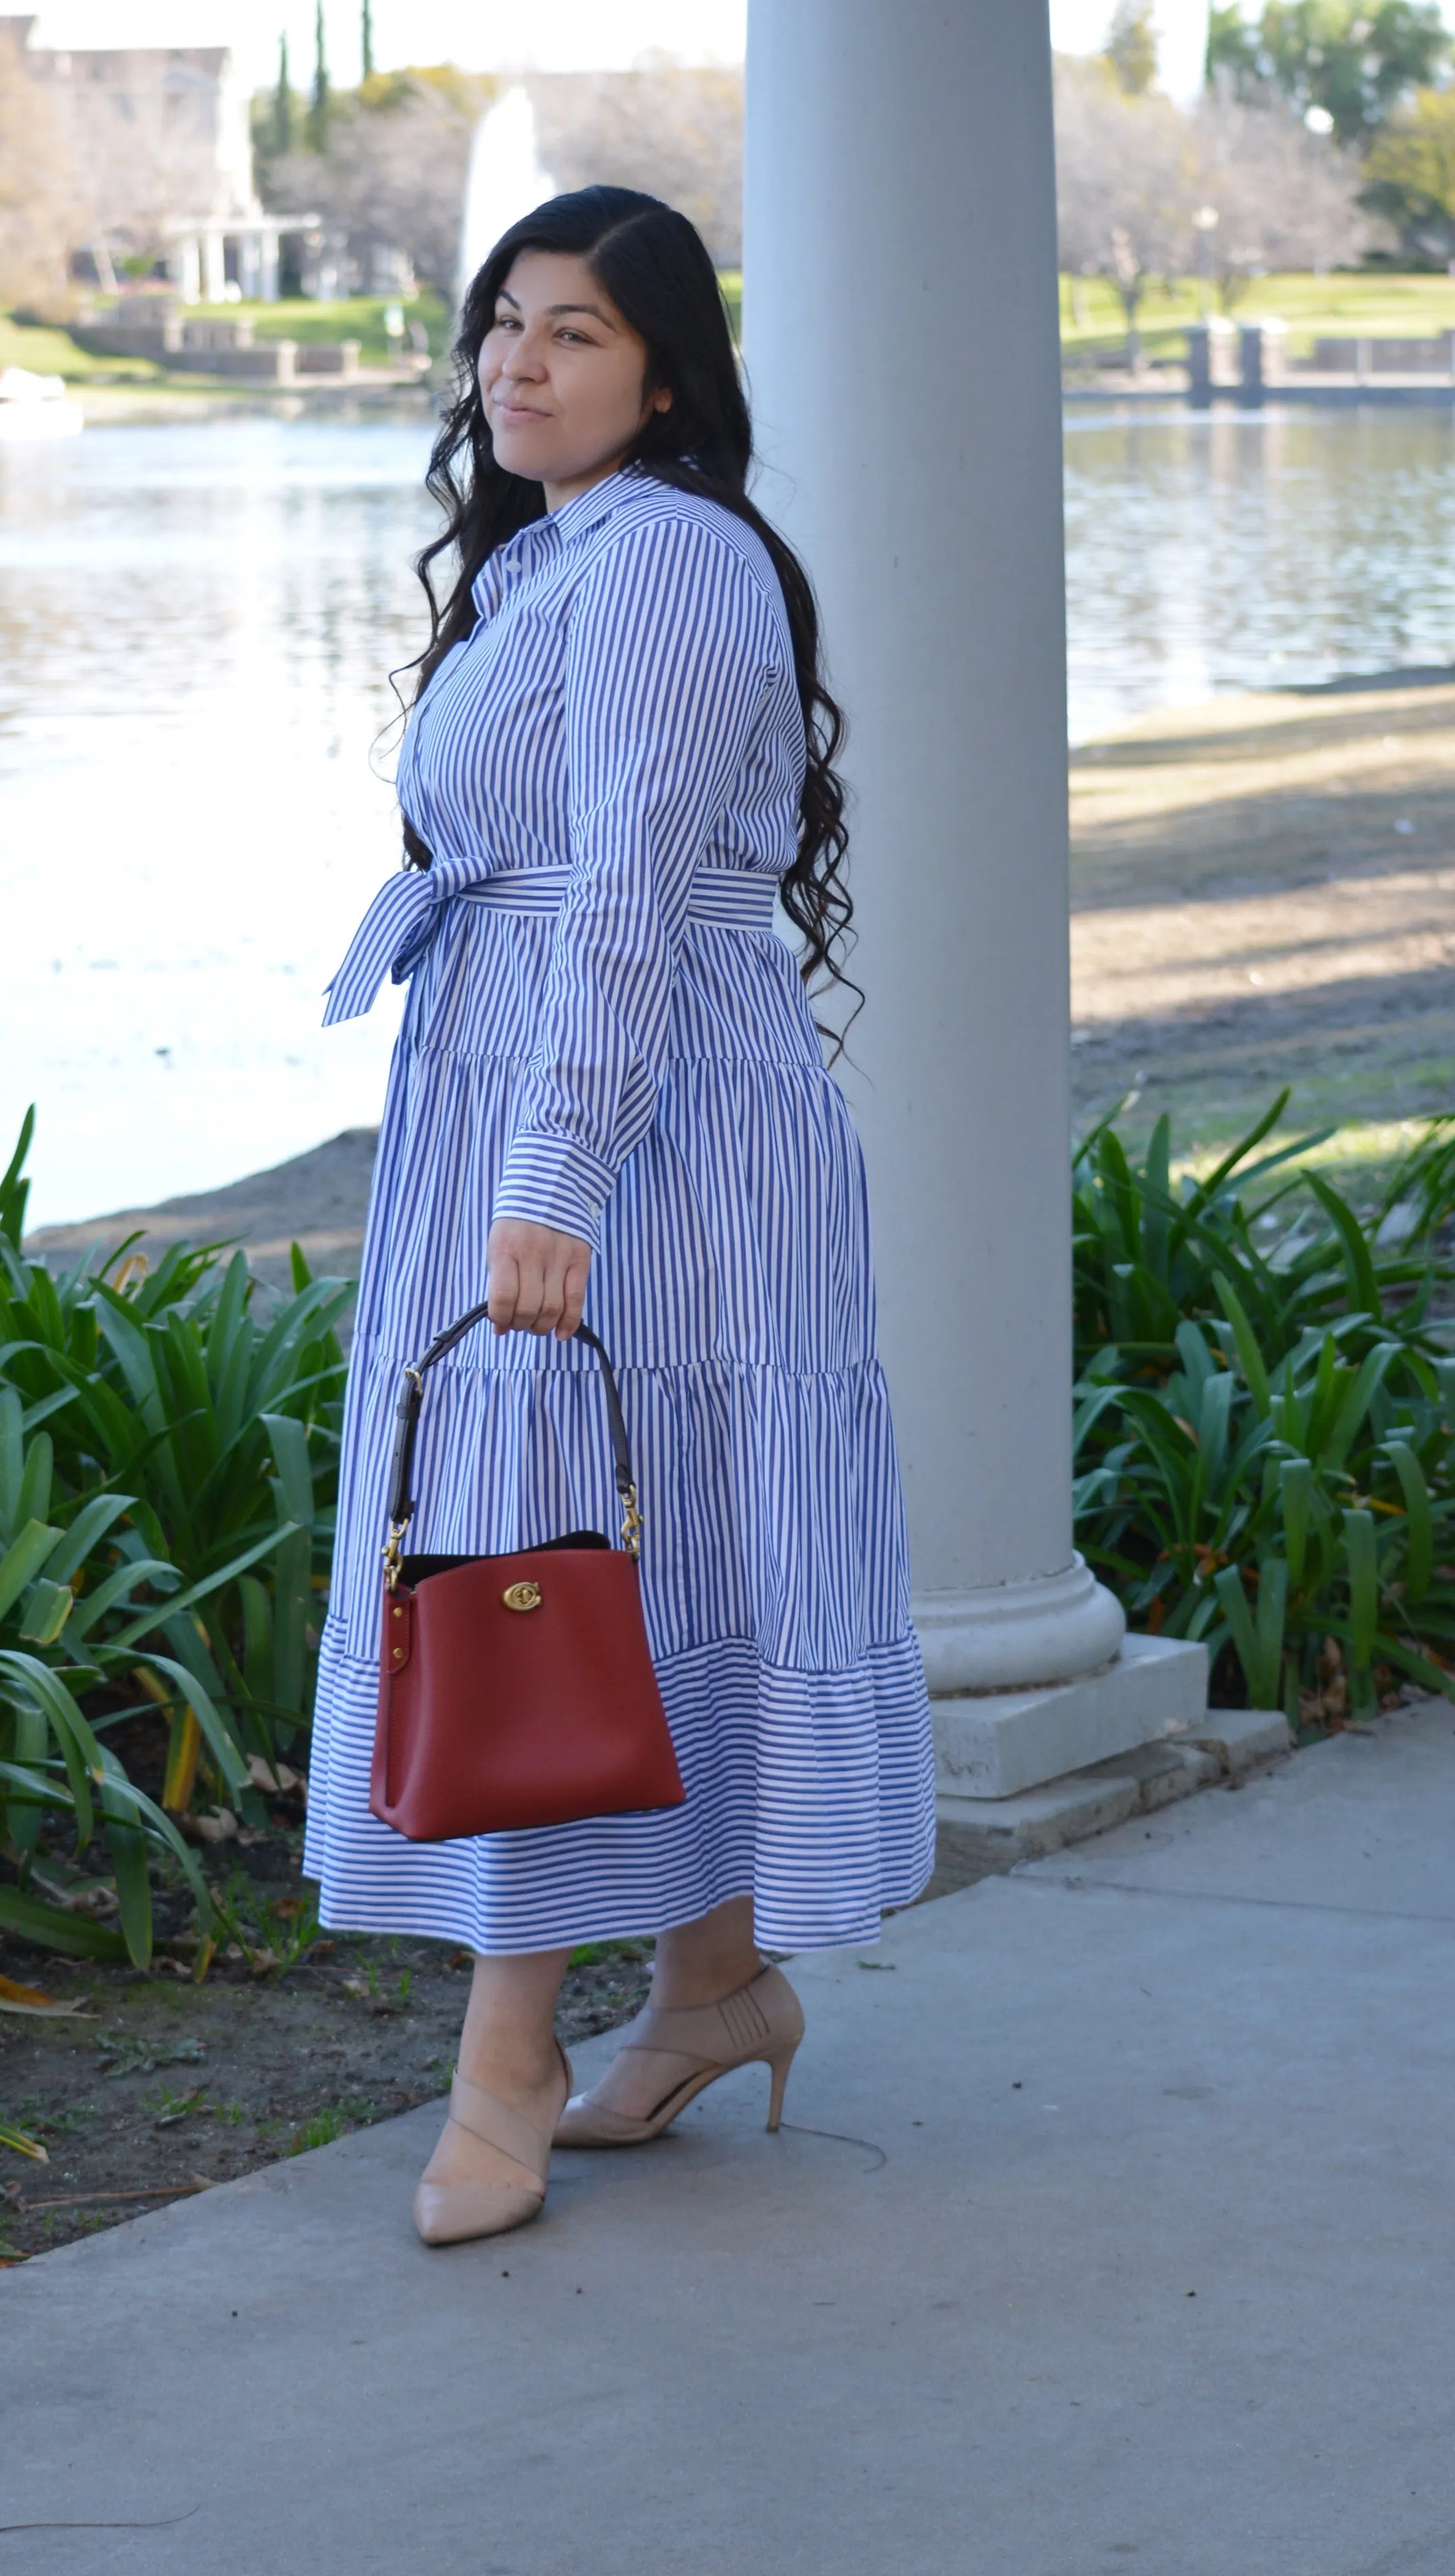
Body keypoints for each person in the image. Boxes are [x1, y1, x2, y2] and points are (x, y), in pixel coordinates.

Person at [305, 186, 935, 2247]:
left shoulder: (665, 556)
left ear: (664, 371)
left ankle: (509, 2055)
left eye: (571, 332)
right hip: (547, 1085)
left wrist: (550, 1178)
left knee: (549, 1549)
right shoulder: (557, 563)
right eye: (500, 324)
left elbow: (635, 889)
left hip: (644, 1130)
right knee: (655, 1531)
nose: (516, 363)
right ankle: (709, 1983)